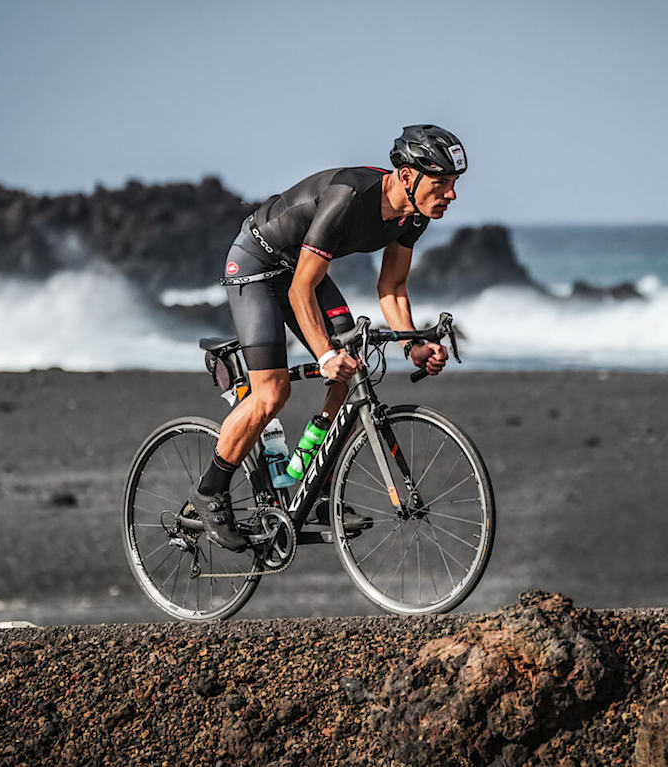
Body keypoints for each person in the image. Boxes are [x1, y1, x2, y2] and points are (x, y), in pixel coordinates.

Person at [190, 124, 467, 550]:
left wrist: (412, 343)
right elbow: (301, 288)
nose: (451, 195)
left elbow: (391, 288)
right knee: (272, 392)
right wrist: (323, 354)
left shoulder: (411, 217)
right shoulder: (350, 198)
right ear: (409, 176)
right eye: (442, 183)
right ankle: (209, 492)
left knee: (353, 374)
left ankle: (310, 484)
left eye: (454, 184)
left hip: (302, 271)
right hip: (256, 264)